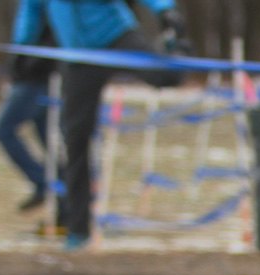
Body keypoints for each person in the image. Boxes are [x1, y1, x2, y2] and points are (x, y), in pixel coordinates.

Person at [12, 0, 187, 251]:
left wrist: (163, 9)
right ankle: (78, 230)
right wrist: (21, 47)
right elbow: (30, 9)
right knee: (75, 140)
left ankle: (178, 49)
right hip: (77, 54)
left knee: (165, 77)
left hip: (115, 35)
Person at [0, 24, 57, 213]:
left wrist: (26, 70)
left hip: (36, 80)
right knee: (51, 142)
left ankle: (43, 183)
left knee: (3, 130)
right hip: (28, 78)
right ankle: (65, 209)